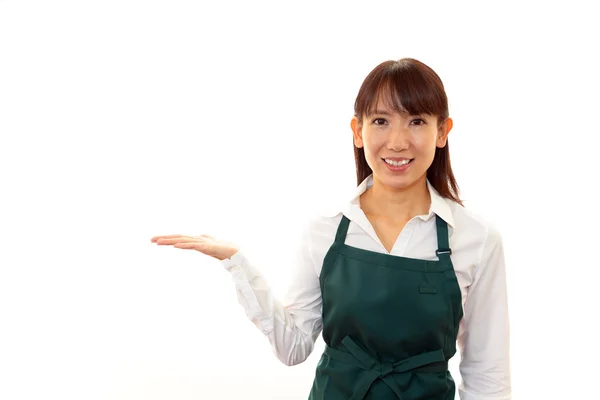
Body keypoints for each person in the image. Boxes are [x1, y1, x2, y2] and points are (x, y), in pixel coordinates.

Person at [151, 58, 511, 400]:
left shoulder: (475, 239)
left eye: (416, 121)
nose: (398, 142)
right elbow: (293, 348)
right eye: (381, 121)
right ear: (358, 131)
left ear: (442, 131)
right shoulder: (325, 231)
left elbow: (487, 376)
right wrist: (237, 263)